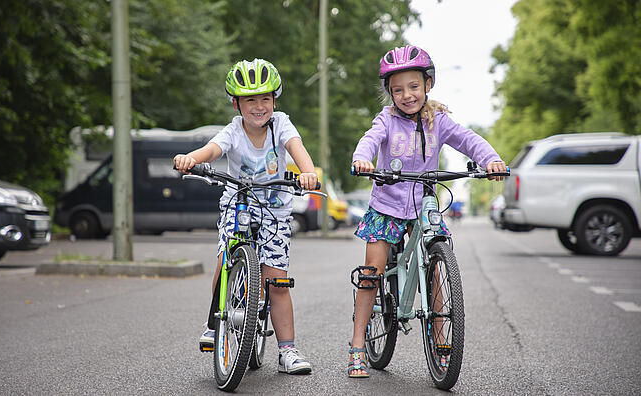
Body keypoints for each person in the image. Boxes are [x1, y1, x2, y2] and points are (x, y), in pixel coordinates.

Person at [348, 45, 508, 378]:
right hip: (387, 204)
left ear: (428, 85)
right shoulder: (386, 120)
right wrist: (362, 159)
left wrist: (490, 159)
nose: (406, 95)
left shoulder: (439, 121)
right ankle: (357, 346)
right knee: (371, 272)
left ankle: (441, 344)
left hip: (424, 202)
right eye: (398, 89)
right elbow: (370, 138)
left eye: (413, 86)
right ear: (390, 93)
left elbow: (468, 140)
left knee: (437, 271)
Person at [173, 59, 318, 375]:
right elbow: (212, 150)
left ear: (274, 101)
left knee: (277, 281)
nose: (259, 106)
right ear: (236, 103)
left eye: (265, 98)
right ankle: (216, 321)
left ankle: (288, 351)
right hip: (237, 205)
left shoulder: (281, 125)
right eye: (250, 99)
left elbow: (297, 147)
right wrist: (190, 159)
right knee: (225, 261)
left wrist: (307, 172)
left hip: (275, 211)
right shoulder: (233, 131)